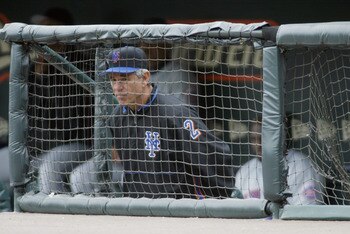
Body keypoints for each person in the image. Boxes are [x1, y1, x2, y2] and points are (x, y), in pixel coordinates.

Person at [70, 46, 236, 199]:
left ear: (145, 77)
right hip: (138, 208)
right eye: (113, 80)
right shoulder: (117, 118)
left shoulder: (175, 113)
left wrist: (210, 203)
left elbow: (215, 155)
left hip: (179, 208)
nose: (117, 87)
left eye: (124, 79)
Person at [234, 116, 325, 205]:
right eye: (254, 139)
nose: (258, 145)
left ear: (277, 137)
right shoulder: (245, 171)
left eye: (262, 138)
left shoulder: (303, 165)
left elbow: (307, 210)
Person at [140, 18, 199, 108]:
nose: (145, 48)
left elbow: (184, 115)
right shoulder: (138, 74)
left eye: (151, 42)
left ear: (167, 44)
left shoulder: (180, 75)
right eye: (142, 42)